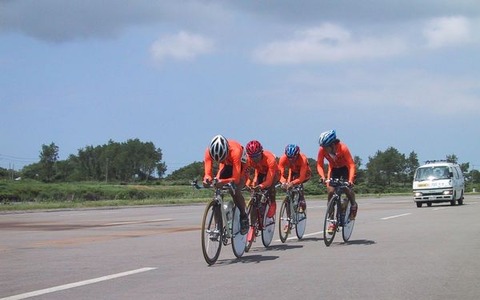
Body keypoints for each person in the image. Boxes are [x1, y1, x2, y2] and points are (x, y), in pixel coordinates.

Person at [203, 134, 249, 235]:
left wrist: (222, 182)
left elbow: (236, 178)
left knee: (235, 189)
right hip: (226, 165)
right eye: (217, 159)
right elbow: (208, 173)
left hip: (241, 166)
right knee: (217, 190)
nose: (219, 160)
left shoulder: (235, 151)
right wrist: (207, 179)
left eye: (221, 158)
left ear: (226, 150)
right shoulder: (208, 152)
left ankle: (243, 216)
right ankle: (218, 227)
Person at [316, 129, 357, 234]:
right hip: (334, 169)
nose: (324, 149)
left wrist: (350, 180)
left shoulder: (343, 148)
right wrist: (322, 176)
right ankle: (332, 221)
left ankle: (353, 205)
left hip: (346, 168)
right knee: (330, 191)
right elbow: (319, 165)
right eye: (323, 147)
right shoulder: (322, 150)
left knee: (346, 188)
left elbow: (351, 165)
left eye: (326, 147)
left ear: (333, 144)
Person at [245, 140, 280, 220]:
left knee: (270, 186)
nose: (255, 159)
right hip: (260, 172)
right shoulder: (249, 160)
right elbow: (248, 174)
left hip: (273, 173)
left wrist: (260, 186)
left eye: (257, 156)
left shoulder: (270, 159)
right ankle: (253, 225)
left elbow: (269, 180)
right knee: (254, 192)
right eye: (252, 157)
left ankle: (273, 203)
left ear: (261, 152)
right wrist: (248, 184)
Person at [278, 144, 311, 214]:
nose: (291, 160)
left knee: (297, 183)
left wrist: (292, 183)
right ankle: (289, 219)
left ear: (298, 155)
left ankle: (301, 198)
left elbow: (301, 177)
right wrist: (284, 182)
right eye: (289, 158)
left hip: (305, 173)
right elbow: (280, 174)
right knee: (288, 191)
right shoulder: (283, 158)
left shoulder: (303, 159)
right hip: (293, 171)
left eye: (293, 158)